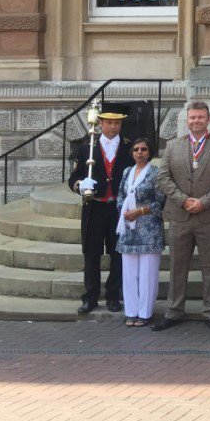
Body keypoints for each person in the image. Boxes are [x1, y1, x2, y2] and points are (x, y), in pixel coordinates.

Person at [153, 100, 210, 331]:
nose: (196, 121)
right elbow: (163, 178)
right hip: (180, 216)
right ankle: (174, 310)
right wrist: (183, 200)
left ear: (208, 120)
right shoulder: (172, 146)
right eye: (192, 117)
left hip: (209, 216)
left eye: (200, 117)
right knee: (177, 266)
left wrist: (204, 202)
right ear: (187, 120)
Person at [68, 105, 134, 315]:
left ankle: (113, 296)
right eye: (109, 122)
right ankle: (90, 297)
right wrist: (81, 186)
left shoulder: (130, 147)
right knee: (91, 253)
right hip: (95, 206)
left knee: (117, 253)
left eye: (117, 123)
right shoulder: (85, 147)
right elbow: (73, 178)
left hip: (118, 208)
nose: (113, 127)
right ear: (101, 123)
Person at [115, 138, 165, 327]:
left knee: (147, 274)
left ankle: (145, 313)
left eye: (143, 149)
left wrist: (140, 211)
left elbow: (160, 201)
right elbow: (120, 194)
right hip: (128, 228)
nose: (139, 152)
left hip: (149, 228)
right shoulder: (127, 172)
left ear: (149, 152)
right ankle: (131, 311)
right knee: (129, 274)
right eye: (136, 149)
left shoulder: (155, 173)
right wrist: (125, 211)